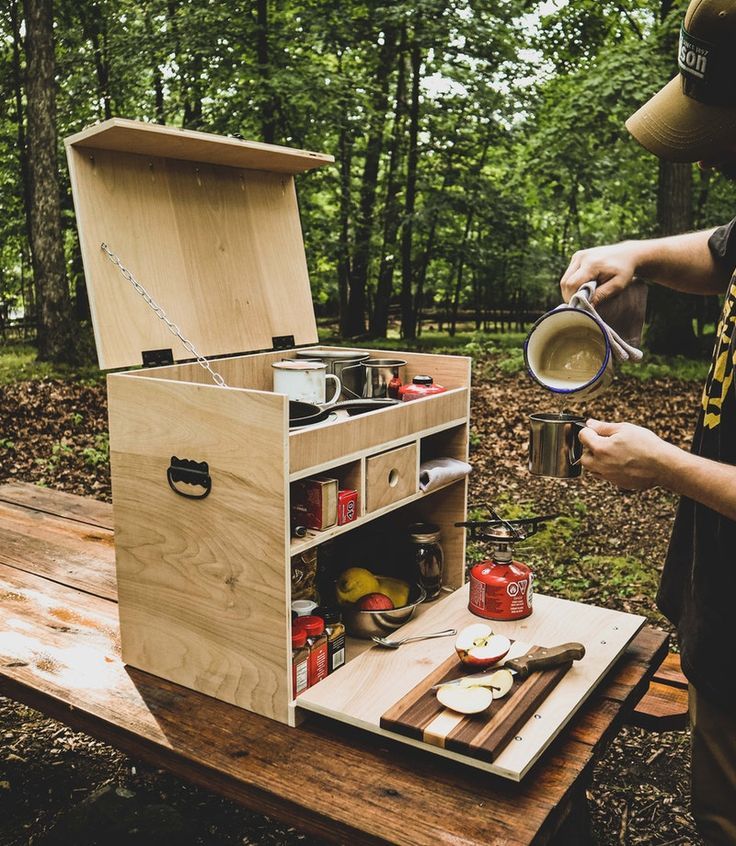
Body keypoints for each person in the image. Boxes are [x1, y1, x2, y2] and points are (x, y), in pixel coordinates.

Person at [559, 1, 736, 842]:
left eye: (721, 135)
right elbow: (719, 250)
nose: (708, 160)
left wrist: (665, 465)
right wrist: (637, 254)